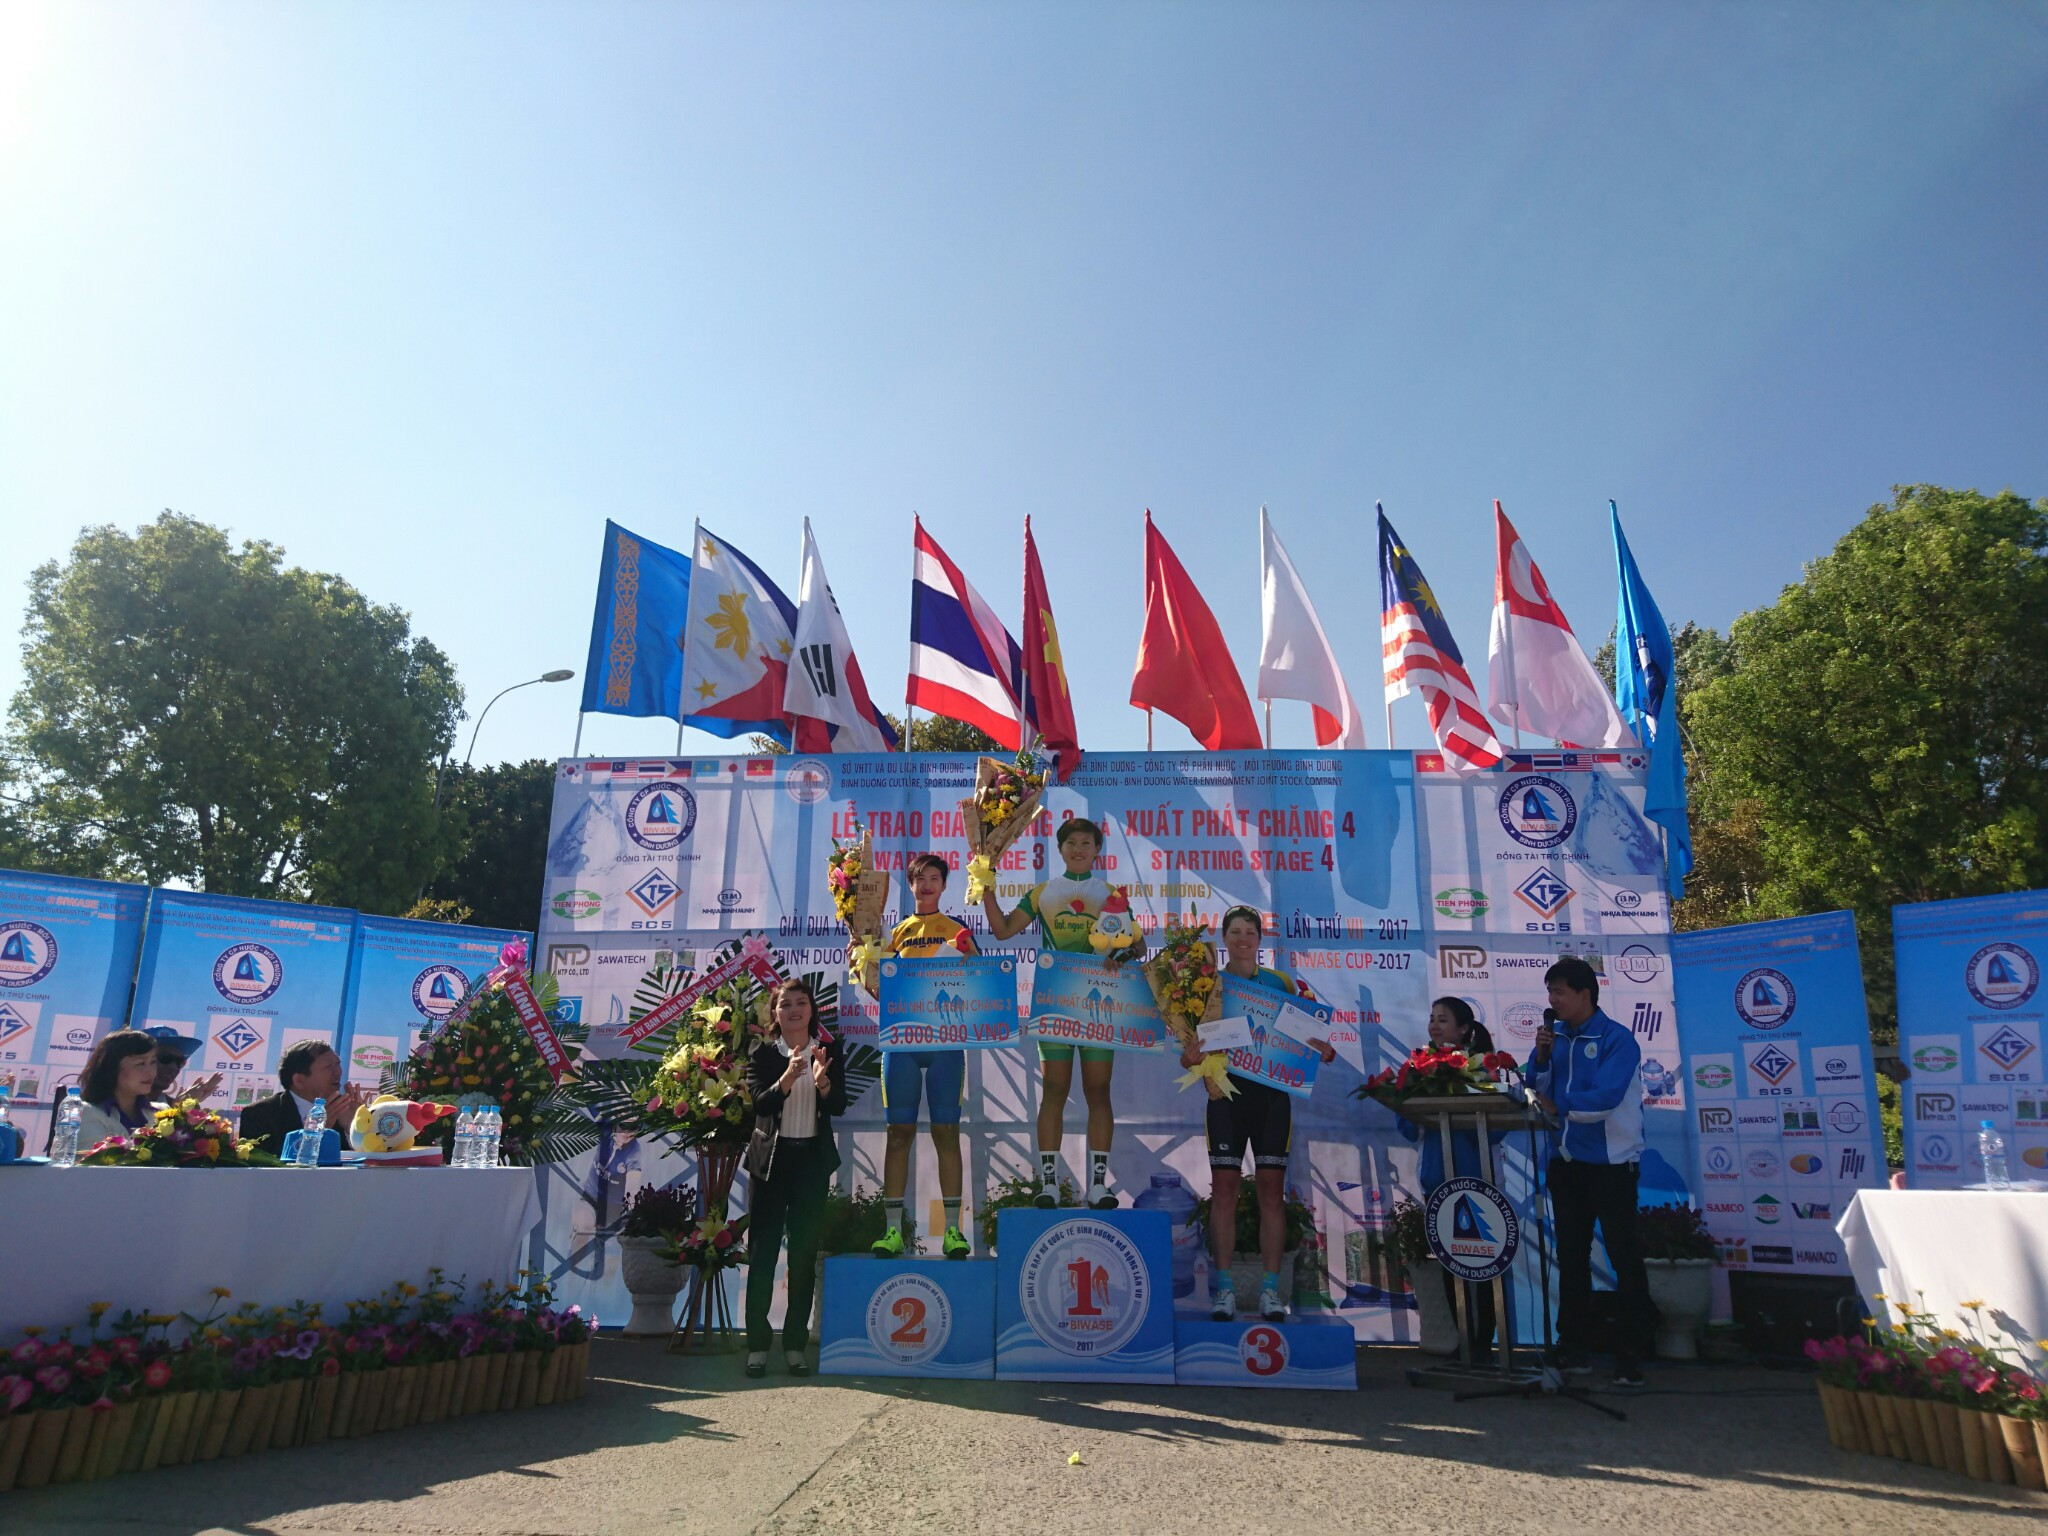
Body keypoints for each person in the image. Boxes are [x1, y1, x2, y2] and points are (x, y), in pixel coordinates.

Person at [1178, 906, 1335, 1322]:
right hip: (1225, 1097)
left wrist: (1321, 1048)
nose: (1243, 939)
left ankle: (1270, 1290)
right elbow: (1191, 1050)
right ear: (1224, 939)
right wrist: (1190, 1056)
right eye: (1235, 932)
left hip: (1271, 1099)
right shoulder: (1208, 985)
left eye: (1250, 932)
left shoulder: (1280, 983)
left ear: (1260, 940)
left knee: (1270, 1192)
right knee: (1224, 1191)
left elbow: (1302, 1036)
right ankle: (1224, 1290)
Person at [982, 815, 1147, 1210]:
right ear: (1060, 849)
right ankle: (1049, 1184)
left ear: (1097, 850)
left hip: (1098, 1005)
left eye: (1086, 843)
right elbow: (1002, 930)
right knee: (1054, 1090)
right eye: (1071, 843)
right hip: (1054, 1002)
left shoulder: (1110, 893)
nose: (1078, 849)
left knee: (1098, 1091)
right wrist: (985, 887)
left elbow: (1138, 947)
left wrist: (1122, 954)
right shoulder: (1044, 892)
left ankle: (1098, 1186)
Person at [1525, 954, 1650, 1388]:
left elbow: (1606, 1097)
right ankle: (1573, 1345)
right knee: (1572, 1257)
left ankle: (1632, 1352)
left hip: (1613, 1166)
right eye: (1549, 991)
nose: (1552, 1000)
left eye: (1559, 992)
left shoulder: (1618, 1039)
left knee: (1623, 1256)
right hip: (1567, 1163)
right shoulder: (1554, 1037)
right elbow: (1534, 1087)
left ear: (1585, 994)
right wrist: (1542, 1058)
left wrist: (1559, 1106)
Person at [871, 853, 975, 1259]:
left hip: (945, 1042)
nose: (928, 885)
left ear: (944, 886)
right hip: (902, 1043)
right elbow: (879, 989)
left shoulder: (957, 929)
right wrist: (863, 959)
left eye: (935, 878)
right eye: (920, 879)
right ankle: (892, 1231)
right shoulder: (895, 934)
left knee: (946, 1132)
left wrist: (969, 959)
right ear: (911, 885)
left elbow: (981, 980)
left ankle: (953, 1232)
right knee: (898, 1134)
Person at [1396, 997, 1511, 1359]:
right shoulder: (1418, 1065)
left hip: (1479, 1181)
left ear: (1463, 1028)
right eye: (1432, 1018)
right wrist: (1414, 1093)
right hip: (1438, 1180)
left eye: (1443, 1019)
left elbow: (1497, 1129)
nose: (1434, 1025)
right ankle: (1462, 1342)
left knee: (1486, 1265)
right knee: (1450, 1265)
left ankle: (1485, 1343)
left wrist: (1463, 1099)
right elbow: (1406, 1126)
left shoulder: (1484, 1067)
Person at [745, 977, 849, 1378]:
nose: (793, 1010)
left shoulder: (829, 1052)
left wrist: (822, 1081)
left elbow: (838, 1105)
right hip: (771, 1165)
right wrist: (788, 1076)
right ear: (775, 1013)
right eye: (785, 1004)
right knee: (763, 1256)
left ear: (811, 1010)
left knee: (803, 1258)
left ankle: (793, 1345)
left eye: (801, 1003)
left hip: (810, 1165)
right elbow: (760, 1104)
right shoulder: (763, 1054)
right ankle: (758, 1346)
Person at [238, 1040, 365, 1157]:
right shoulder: (259, 1114)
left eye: (337, 1064)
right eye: (328, 1067)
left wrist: (354, 1128)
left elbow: (363, 1164)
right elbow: (264, 1163)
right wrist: (315, 1133)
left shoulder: (343, 1109)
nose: (338, 1072)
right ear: (299, 1080)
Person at [74, 1030, 165, 1150]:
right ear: (112, 1068)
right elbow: (97, 1159)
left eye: (153, 1062)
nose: (151, 1072)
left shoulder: (163, 1111)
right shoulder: (86, 1113)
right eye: (141, 1063)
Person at [141, 1026, 223, 1107]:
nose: (173, 1067)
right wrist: (179, 1108)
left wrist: (186, 1107)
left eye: (179, 1061)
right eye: (164, 1058)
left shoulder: (171, 1104)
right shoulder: (130, 1103)